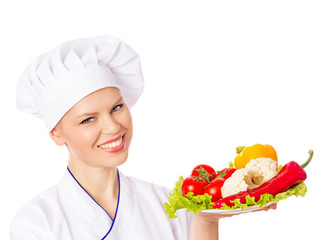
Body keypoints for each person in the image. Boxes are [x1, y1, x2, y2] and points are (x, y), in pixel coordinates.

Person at [11, 36, 276, 240]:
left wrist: (207, 221)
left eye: (117, 108)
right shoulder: (35, 224)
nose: (114, 127)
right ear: (56, 133)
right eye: (88, 119)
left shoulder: (168, 204)